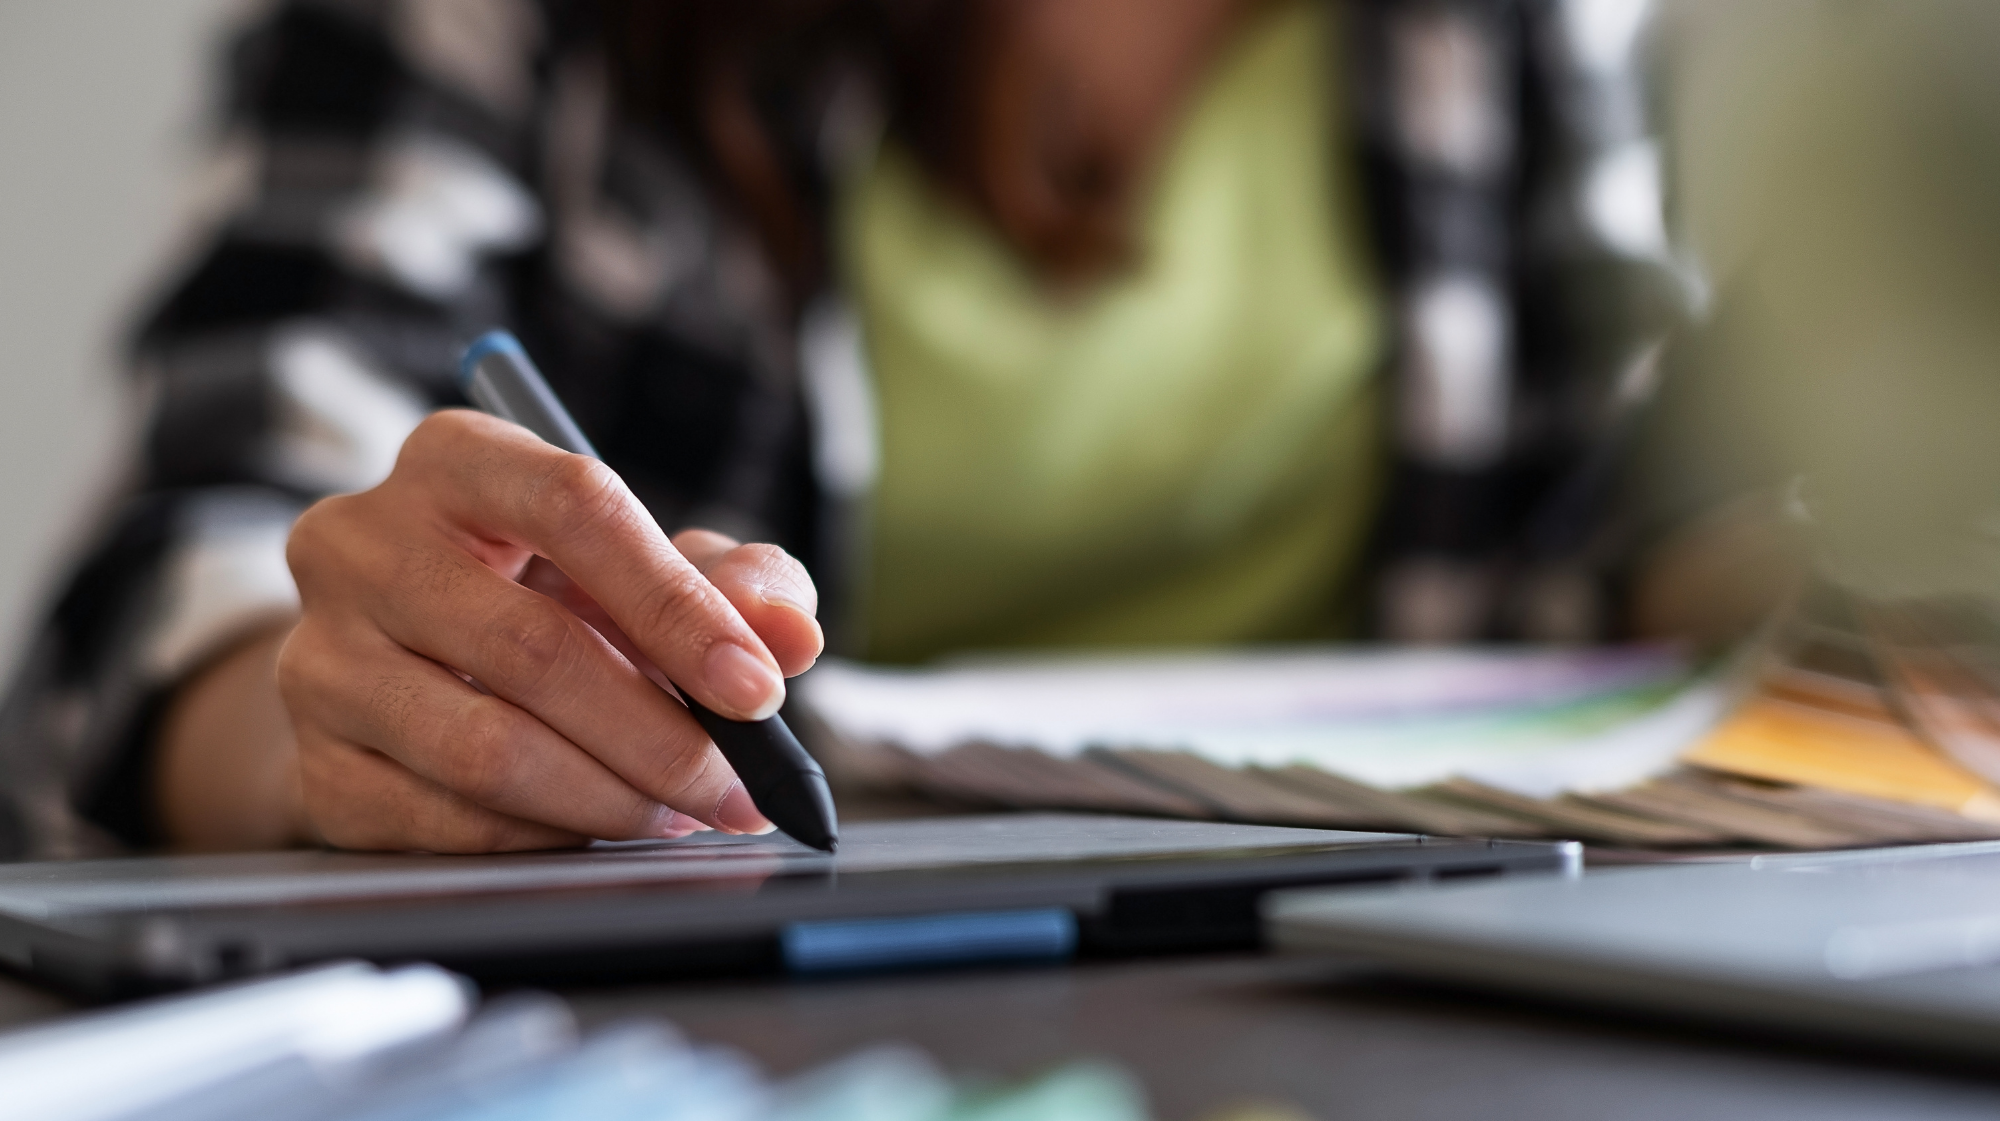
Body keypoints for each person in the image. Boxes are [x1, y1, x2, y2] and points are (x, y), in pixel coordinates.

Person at [0, 0, 1690, 858]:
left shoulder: (1524, 29)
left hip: (1395, 964)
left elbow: (1629, 523)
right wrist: (334, 732)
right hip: (736, 1021)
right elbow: (181, 572)